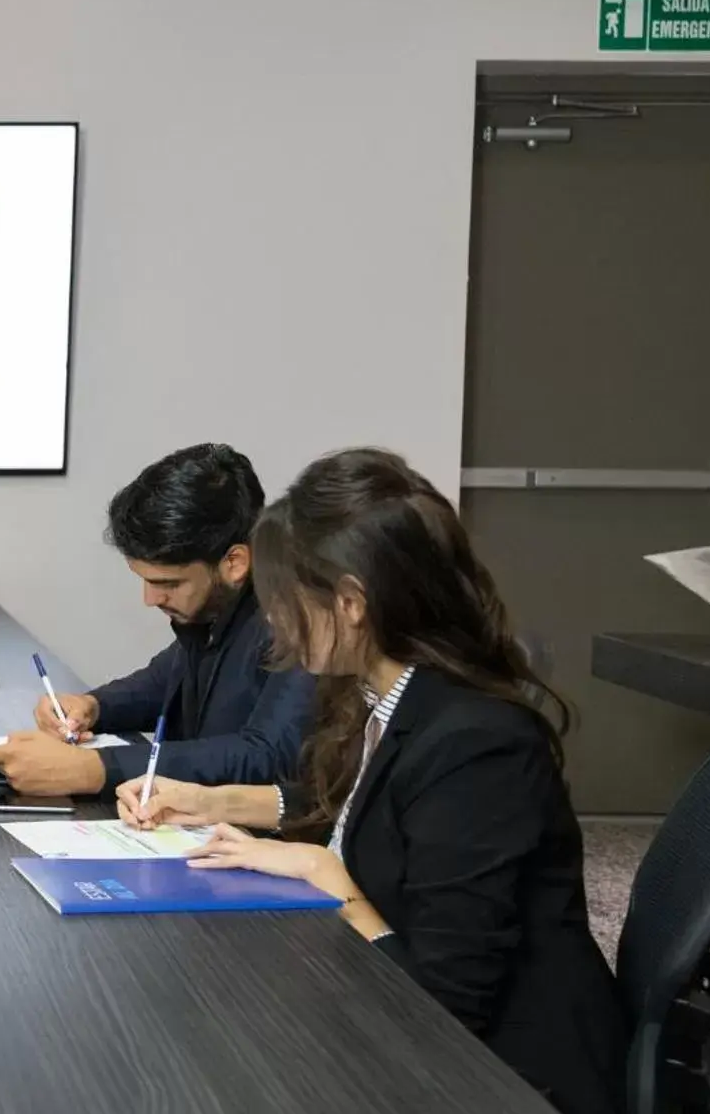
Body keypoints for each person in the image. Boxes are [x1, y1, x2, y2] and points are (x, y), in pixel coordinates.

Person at [119, 448, 625, 1114]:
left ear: (350, 603)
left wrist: (336, 887)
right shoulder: (380, 693)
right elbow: (371, 808)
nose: (270, 619)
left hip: (505, 1073)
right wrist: (216, 802)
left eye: (280, 599)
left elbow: (446, 1004)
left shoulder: (478, 746)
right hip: (399, 1021)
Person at [0, 443, 314, 795]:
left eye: (168, 583)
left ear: (234, 563)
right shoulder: (216, 608)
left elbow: (266, 757)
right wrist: (93, 706)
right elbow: (162, 682)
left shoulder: (302, 623)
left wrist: (95, 769)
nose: (150, 599)